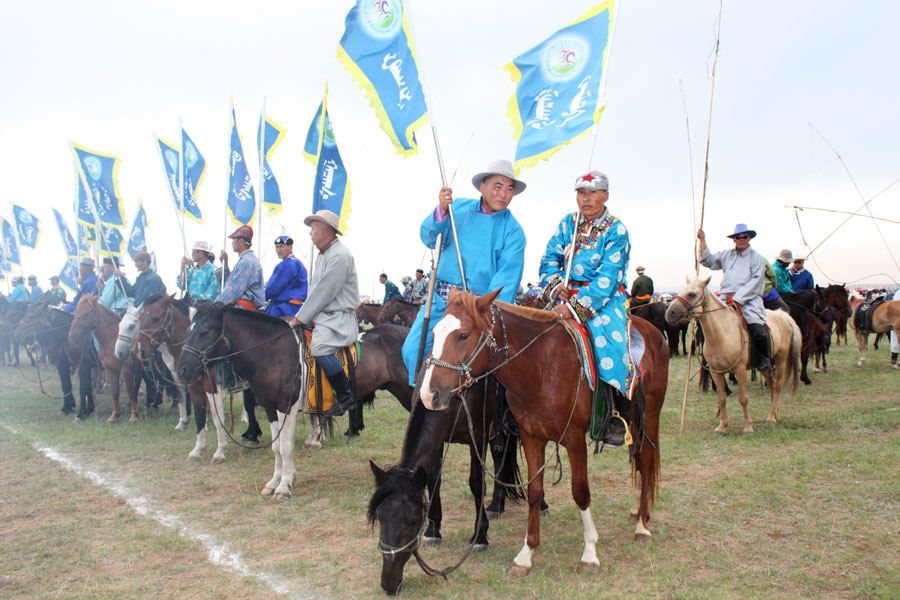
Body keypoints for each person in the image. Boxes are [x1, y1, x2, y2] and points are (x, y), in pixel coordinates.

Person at [401, 159, 527, 386]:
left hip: (479, 310)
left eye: (510, 189)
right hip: (442, 301)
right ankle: (422, 396)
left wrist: (480, 310)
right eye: (498, 186)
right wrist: (441, 211)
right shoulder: (456, 208)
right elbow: (430, 238)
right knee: (412, 350)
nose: (503, 194)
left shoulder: (514, 231)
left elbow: (506, 280)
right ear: (483, 187)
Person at [539, 170, 634, 448]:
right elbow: (549, 259)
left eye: (592, 193)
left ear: (605, 195)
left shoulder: (616, 230)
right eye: (581, 193)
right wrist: (555, 286)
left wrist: (574, 308)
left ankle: (613, 414)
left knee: (609, 344)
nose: (586, 199)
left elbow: (609, 277)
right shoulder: (568, 223)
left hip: (603, 300)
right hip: (563, 295)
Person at [287, 210, 360, 417]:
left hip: (337, 319)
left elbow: (324, 291)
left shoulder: (340, 255)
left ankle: (345, 396)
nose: (310, 233)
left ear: (324, 231)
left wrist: (300, 318)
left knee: (319, 348)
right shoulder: (325, 254)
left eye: (313, 229)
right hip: (325, 316)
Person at [698, 223, 772, 373]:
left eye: (744, 236)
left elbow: (756, 281)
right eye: (738, 237)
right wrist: (702, 240)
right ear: (734, 239)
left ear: (749, 238)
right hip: (725, 298)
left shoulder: (756, 258)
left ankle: (765, 357)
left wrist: (738, 298)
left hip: (749, 299)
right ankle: (711, 358)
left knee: (757, 326)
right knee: (709, 324)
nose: (741, 239)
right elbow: (707, 261)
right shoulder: (726, 255)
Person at [217, 226, 264, 310]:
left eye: (233, 240)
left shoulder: (246, 262)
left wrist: (217, 303)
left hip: (242, 308)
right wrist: (225, 265)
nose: (232, 243)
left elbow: (234, 289)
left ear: (241, 241)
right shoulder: (248, 259)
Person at [264, 234, 308, 317]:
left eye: (281, 246)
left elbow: (273, 288)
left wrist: (260, 299)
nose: (278, 250)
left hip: (283, 308)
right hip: (297, 308)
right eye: (276, 247)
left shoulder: (287, 264)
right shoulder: (298, 263)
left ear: (290, 247)